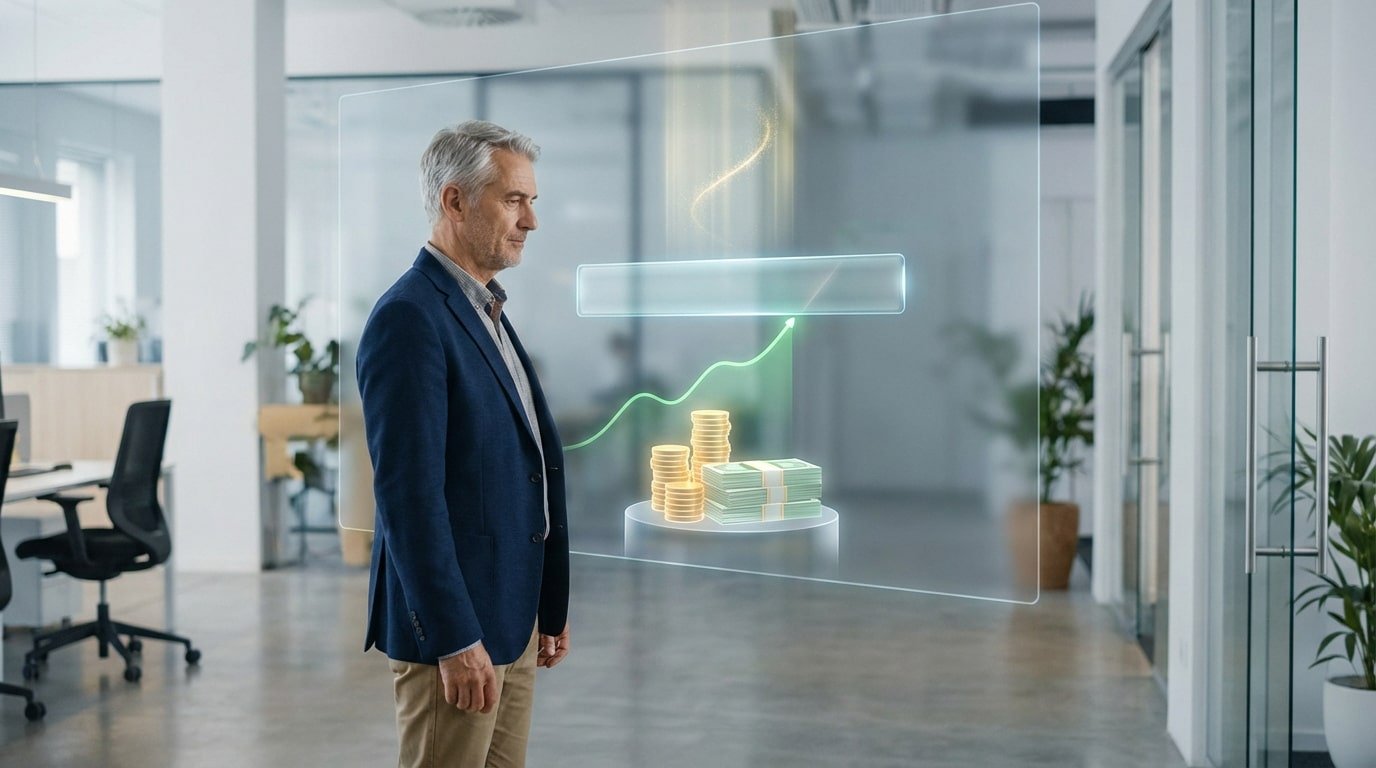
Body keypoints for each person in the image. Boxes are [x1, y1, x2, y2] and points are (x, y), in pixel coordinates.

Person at [356, 120, 570, 768]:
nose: (530, 220)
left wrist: (547, 607)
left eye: (532, 201)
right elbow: (408, 497)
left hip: (511, 619)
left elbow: (526, 463)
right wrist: (452, 637)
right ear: (454, 201)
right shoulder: (410, 318)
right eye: (514, 199)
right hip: (458, 634)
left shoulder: (486, 310)